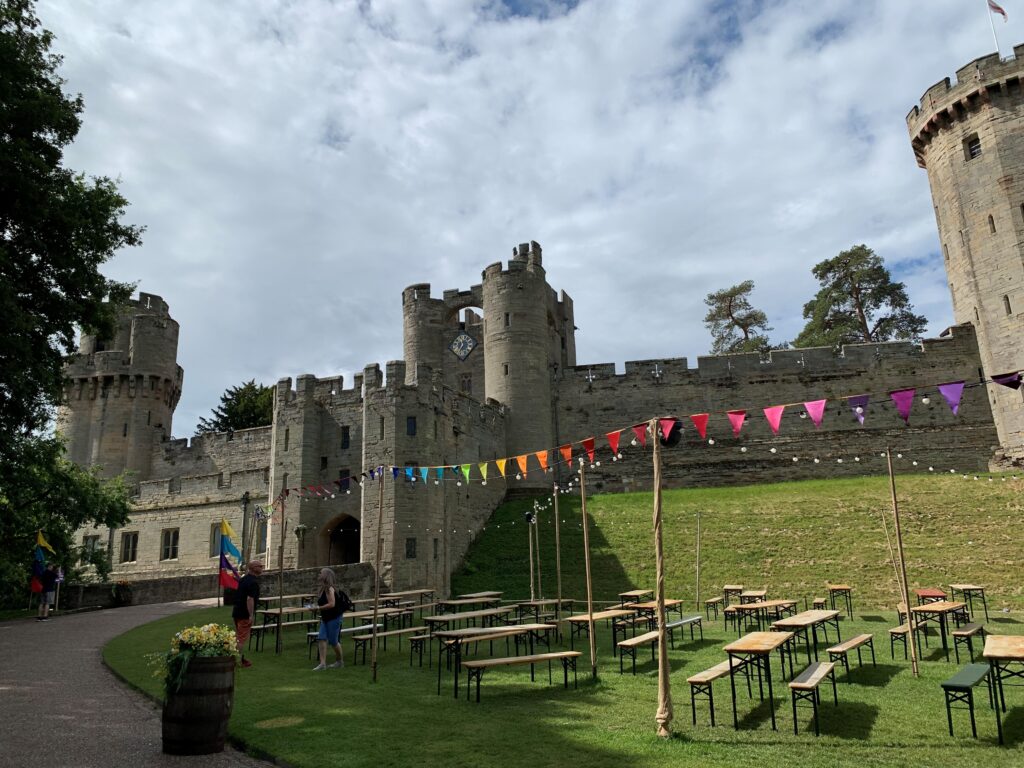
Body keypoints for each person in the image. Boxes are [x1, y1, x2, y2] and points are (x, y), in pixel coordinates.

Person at [312, 567, 345, 670]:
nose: (319, 574)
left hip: (334, 618)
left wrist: (318, 608)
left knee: (333, 641)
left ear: (326, 575)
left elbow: (332, 604)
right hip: (325, 618)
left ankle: (340, 661)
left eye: (321, 573)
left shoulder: (329, 588)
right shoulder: (322, 589)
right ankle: (322, 664)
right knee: (321, 638)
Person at [232, 560, 263, 668]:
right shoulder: (253, 582)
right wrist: (250, 615)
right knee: (241, 638)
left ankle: (238, 658)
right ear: (254, 568)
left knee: (239, 636)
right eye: (260, 566)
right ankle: (236, 660)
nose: (262, 567)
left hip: (236, 611)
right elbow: (250, 599)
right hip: (244, 613)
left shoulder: (243, 579)